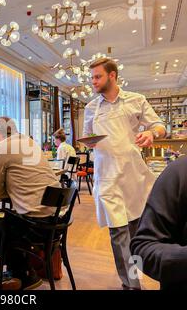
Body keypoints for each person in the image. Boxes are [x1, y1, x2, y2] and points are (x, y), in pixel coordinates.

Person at [82, 58, 166, 290]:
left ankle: (140, 273)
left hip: (133, 177)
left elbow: (160, 125)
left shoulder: (136, 100)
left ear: (112, 76)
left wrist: (151, 133)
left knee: (137, 236)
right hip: (107, 177)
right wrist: (89, 142)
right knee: (118, 237)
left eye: (97, 76)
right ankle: (131, 284)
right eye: (92, 78)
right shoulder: (91, 108)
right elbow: (88, 137)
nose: (93, 82)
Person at [0, 116, 62, 290]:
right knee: (6, 221)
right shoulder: (30, 142)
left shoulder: (0, 148)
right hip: (58, 219)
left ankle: (24, 273)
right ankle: (19, 272)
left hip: (36, 224)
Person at [130, 156, 187, 289]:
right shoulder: (180, 172)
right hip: (123, 193)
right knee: (120, 235)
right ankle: (132, 283)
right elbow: (143, 246)